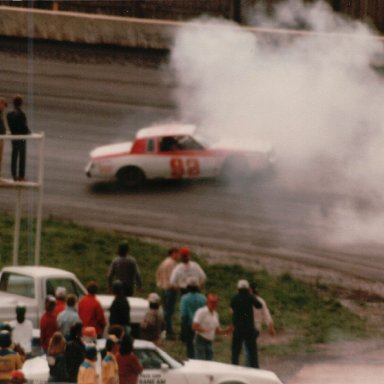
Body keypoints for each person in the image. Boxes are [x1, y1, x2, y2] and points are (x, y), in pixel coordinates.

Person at [230, 279, 262, 368]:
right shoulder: (250, 296)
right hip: (249, 328)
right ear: (248, 288)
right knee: (252, 352)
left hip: (238, 328)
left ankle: (234, 368)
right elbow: (259, 305)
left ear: (238, 288)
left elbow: (232, 306)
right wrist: (252, 296)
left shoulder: (235, 298)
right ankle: (255, 369)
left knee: (235, 352)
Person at [192, 293, 232, 361]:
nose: (213, 304)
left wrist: (227, 331)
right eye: (212, 302)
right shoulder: (201, 312)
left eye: (215, 302)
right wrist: (204, 330)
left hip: (210, 342)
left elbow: (217, 331)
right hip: (200, 340)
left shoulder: (216, 314)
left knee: (209, 362)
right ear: (207, 302)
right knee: (200, 362)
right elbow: (194, 326)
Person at [179, 276, 206, 358]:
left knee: (190, 345)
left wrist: (183, 326)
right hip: (201, 325)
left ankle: (192, 360)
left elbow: (183, 314)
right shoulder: (203, 298)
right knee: (200, 345)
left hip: (189, 324)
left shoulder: (184, 298)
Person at [155, 247, 180, 339]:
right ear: (173, 253)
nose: (179, 256)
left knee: (166, 310)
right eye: (178, 253)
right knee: (169, 312)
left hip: (164, 287)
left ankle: (164, 330)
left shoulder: (164, 262)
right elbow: (173, 278)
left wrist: (160, 283)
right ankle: (168, 331)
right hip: (171, 289)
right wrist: (177, 287)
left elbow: (158, 273)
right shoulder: (172, 264)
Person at [6, 95, 30, 182]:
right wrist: (28, 132)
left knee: (14, 156)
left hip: (14, 137)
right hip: (22, 137)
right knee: (22, 157)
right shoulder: (22, 114)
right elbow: (24, 127)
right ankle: (21, 176)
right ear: (21, 104)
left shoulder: (9, 114)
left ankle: (14, 175)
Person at [0, 97, 7, 177]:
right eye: (3, 105)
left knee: (0, 158)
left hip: (2, 137)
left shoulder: (1, 113)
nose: (4, 107)